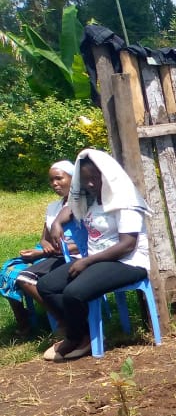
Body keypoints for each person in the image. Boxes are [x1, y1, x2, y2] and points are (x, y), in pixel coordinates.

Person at [39, 149, 151, 362]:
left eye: (95, 177)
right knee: (46, 286)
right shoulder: (91, 199)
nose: (90, 183)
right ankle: (84, 335)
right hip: (96, 261)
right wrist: (56, 223)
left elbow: (127, 245)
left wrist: (87, 261)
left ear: (108, 176)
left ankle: (76, 338)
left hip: (127, 262)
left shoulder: (124, 200)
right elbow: (69, 209)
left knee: (74, 292)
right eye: (85, 179)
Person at [0, 161, 76, 334]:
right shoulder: (53, 207)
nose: (54, 183)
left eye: (59, 178)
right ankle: (24, 322)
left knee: (23, 277)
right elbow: (44, 239)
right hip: (51, 254)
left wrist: (41, 253)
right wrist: (44, 248)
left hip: (67, 256)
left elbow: (80, 245)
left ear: (73, 179)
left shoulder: (80, 206)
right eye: (51, 180)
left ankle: (62, 318)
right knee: (8, 270)